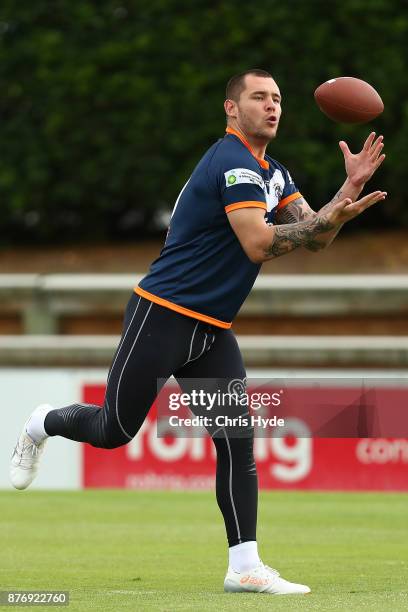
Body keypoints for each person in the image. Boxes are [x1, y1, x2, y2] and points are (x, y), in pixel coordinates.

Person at [10, 69, 386, 595]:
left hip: (211, 330)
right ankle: (41, 422)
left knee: (237, 441)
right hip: (162, 314)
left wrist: (347, 190)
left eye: (277, 98)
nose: (272, 106)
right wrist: (325, 220)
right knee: (115, 431)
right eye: (259, 97)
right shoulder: (232, 162)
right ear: (232, 109)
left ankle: (244, 567)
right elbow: (261, 244)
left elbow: (315, 237)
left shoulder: (272, 172)